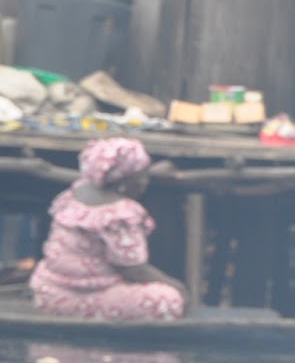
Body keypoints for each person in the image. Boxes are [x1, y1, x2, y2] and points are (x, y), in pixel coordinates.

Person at [29, 137, 188, 321]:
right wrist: (177, 286)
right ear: (123, 180)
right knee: (168, 299)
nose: (145, 182)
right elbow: (133, 270)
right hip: (86, 298)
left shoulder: (74, 194)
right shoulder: (121, 214)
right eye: (141, 177)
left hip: (49, 294)